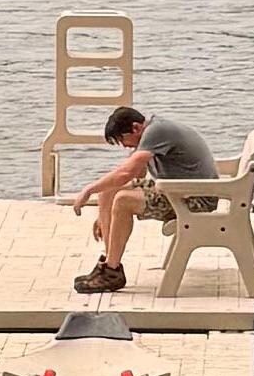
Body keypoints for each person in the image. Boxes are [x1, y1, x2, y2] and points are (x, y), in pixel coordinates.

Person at [79, 99, 216, 282]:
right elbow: (138, 173)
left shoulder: (156, 132)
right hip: (178, 190)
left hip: (196, 198)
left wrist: (88, 190)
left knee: (123, 201)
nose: (124, 146)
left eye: (122, 139)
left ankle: (112, 270)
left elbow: (127, 173)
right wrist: (105, 215)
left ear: (136, 128)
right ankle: (109, 264)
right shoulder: (152, 132)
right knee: (108, 192)